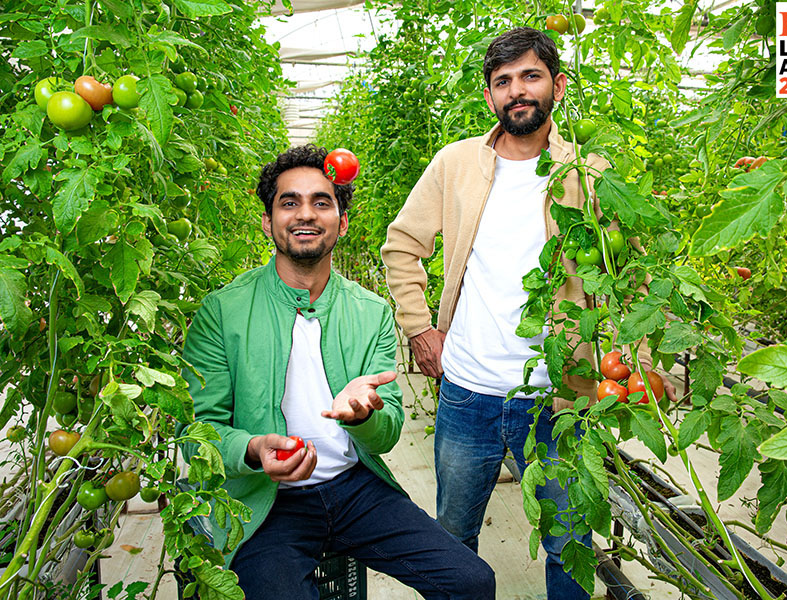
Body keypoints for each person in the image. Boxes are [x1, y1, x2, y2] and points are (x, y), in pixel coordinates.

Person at [381, 27, 675, 600]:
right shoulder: (456, 164)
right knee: (453, 539)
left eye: (530, 77)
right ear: (490, 96)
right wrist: (420, 330)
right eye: (503, 81)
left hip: (561, 401)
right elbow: (401, 245)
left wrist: (639, 365)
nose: (517, 91)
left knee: (570, 544)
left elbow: (627, 278)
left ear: (557, 87)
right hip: (467, 392)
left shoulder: (588, 174)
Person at [181, 144, 495, 600]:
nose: (305, 214)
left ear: (341, 223)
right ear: (268, 221)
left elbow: (386, 434)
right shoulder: (223, 311)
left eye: (321, 202)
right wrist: (253, 448)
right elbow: (197, 432)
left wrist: (363, 416)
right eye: (289, 202)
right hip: (266, 503)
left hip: (354, 491)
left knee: (471, 581)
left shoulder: (369, 312)